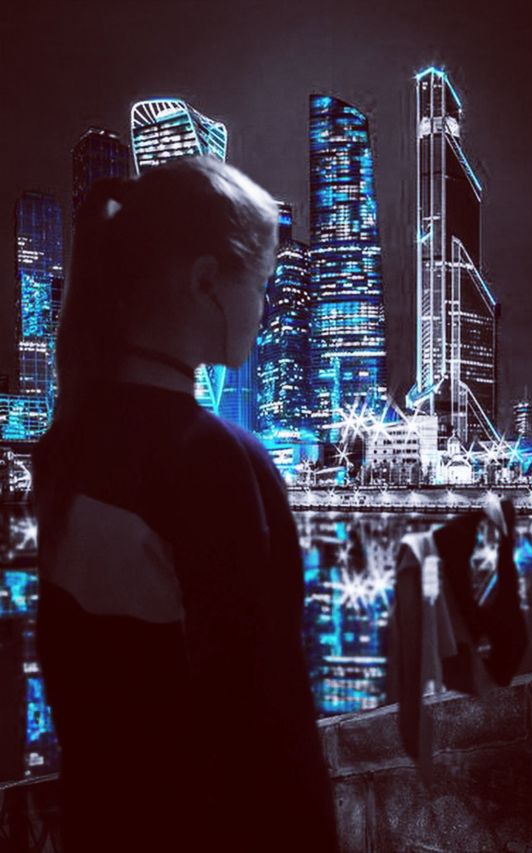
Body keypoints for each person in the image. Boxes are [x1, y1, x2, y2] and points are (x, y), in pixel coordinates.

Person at [33, 155, 339, 852]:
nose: (265, 308)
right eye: (261, 283)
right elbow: (267, 731)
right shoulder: (216, 463)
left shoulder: (66, 448)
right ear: (206, 282)